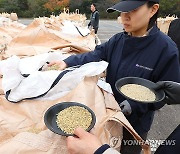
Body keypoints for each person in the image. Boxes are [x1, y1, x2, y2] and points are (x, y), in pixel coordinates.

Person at [49, 0, 180, 153]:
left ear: (153, 10)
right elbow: (96, 54)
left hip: (135, 124)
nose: (124, 17)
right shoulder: (117, 40)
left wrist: (134, 106)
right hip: (109, 111)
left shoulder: (166, 50)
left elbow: (164, 93)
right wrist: (67, 62)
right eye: (123, 12)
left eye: (132, 11)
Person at [66, 81, 180, 154]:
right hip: (115, 109)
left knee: (130, 147)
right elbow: (101, 52)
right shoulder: (119, 42)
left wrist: (100, 152)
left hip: (137, 123)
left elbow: (157, 98)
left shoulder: (167, 50)